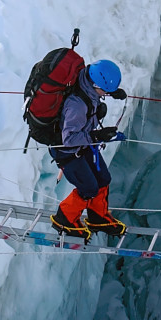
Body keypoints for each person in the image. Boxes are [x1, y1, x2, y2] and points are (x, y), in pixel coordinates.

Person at [49, 59, 128, 240]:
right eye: (104, 91)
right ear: (94, 85)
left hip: (83, 144)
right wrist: (97, 136)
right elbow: (68, 140)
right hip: (67, 151)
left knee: (103, 178)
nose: (105, 94)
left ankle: (98, 217)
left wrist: (113, 91)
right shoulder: (77, 105)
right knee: (89, 187)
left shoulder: (87, 84)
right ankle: (64, 219)